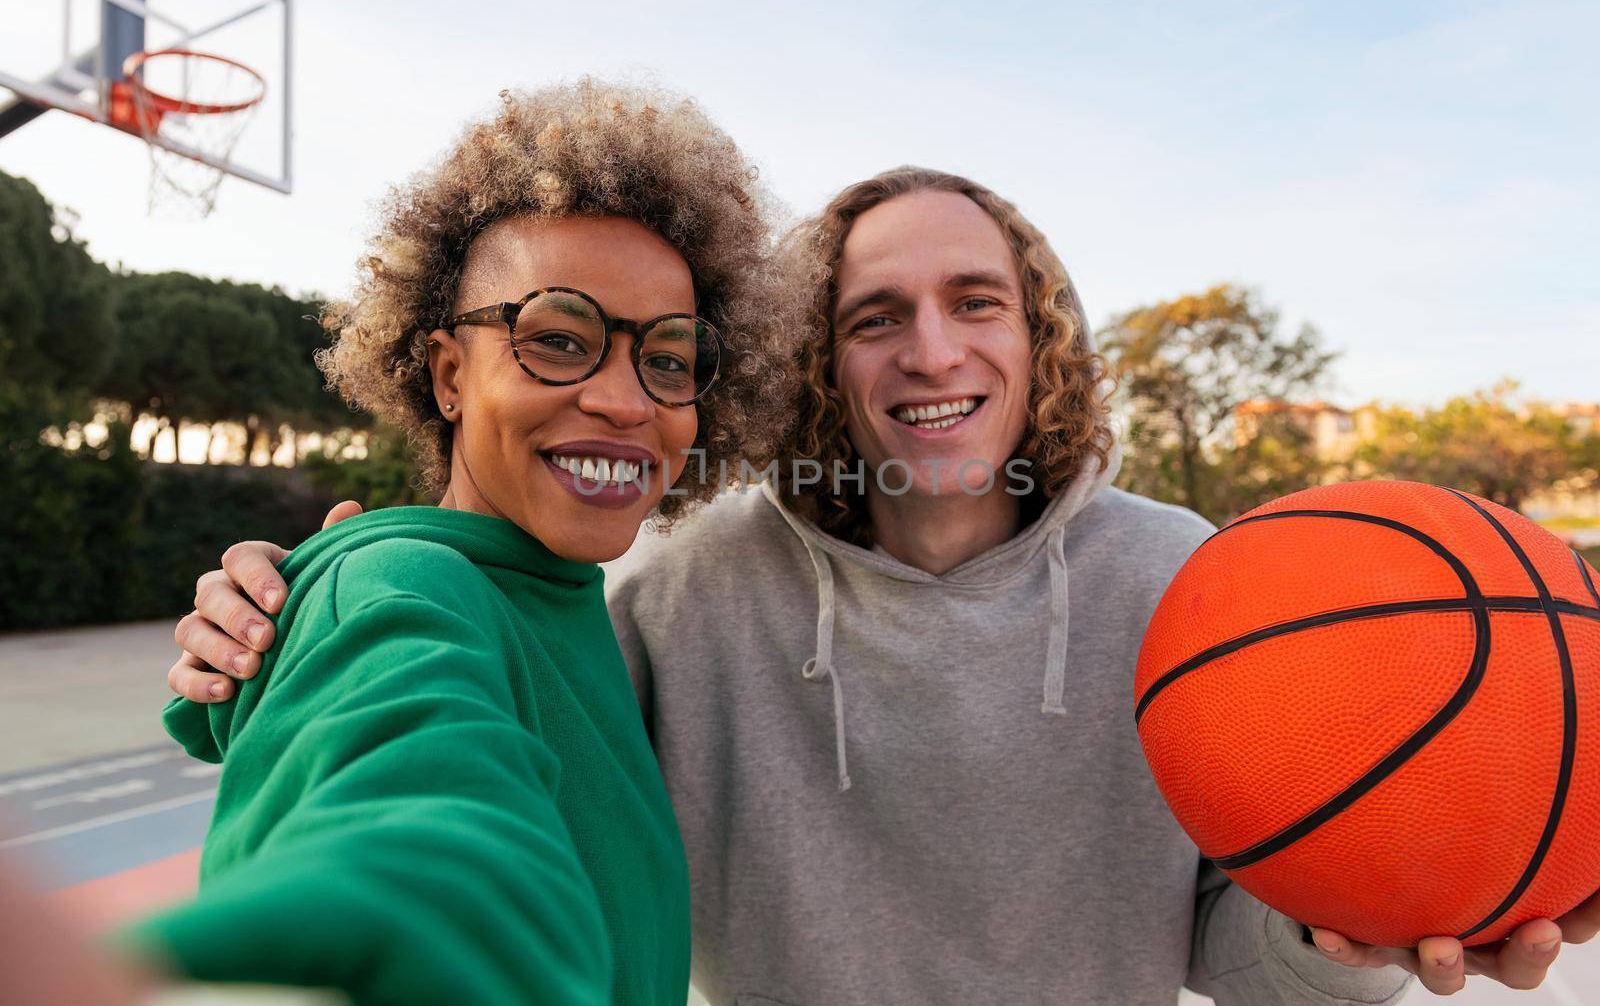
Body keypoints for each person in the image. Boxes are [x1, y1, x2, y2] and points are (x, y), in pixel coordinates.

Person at [173, 168, 1600, 1002]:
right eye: (876, 317)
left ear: (1035, 339)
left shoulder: (1190, 583)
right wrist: (295, 622)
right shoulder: (691, 589)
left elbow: (1241, 952)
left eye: (976, 302)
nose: (932, 351)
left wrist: (1355, 909)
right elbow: (488, 759)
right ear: (821, 360)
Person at [125, 78, 801, 1004]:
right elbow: (417, 839)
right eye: (559, 340)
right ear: (448, 373)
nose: (627, 398)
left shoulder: (566, 600)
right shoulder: (403, 586)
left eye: (671, 359)